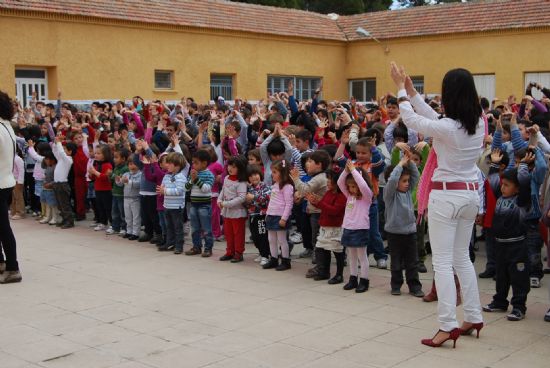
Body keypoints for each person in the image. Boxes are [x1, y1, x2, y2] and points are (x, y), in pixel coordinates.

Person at [390, 62, 484, 348]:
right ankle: (473, 316)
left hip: (446, 196)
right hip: (469, 196)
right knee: (461, 260)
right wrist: (410, 89)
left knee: (442, 262)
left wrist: (399, 91)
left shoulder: (448, 127)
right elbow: (432, 117)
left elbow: (415, 121)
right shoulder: (477, 122)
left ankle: (447, 324)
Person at [482, 149, 532, 322]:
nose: (502, 187)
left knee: (518, 278)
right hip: (500, 245)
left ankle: (519, 306)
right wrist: (495, 165)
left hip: (517, 247)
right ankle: (500, 301)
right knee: (501, 275)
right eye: (503, 184)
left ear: (517, 189)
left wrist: (523, 165)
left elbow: (525, 183)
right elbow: (493, 181)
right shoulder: (500, 196)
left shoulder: (522, 202)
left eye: (507, 185)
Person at [383, 151, 423, 297]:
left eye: (407, 181)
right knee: (396, 262)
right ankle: (396, 285)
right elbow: (393, 180)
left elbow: (416, 176)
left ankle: (414, 287)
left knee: (412, 262)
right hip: (394, 234)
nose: (407, 184)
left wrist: (410, 161)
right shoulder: (389, 194)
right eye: (404, 181)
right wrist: (400, 164)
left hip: (410, 232)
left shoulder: (407, 191)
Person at [305, 169, 346, 284]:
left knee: (337, 251)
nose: (327, 181)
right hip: (325, 225)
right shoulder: (329, 192)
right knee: (321, 249)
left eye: (330, 179)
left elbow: (334, 211)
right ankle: (324, 271)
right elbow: (323, 205)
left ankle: (339, 274)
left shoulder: (341, 196)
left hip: (335, 227)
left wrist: (319, 202)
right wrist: (313, 201)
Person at [338, 161, 373, 293]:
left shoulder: (366, 196)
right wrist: (346, 171)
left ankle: (364, 280)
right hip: (348, 228)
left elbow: (363, 185)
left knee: (361, 256)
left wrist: (354, 171)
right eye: (350, 186)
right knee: (351, 255)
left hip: (360, 228)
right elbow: (340, 183)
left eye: (354, 186)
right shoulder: (349, 196)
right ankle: (353, 279)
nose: (351, 189)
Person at [0, 90, 22, 283]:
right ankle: (1, 262)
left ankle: (13, 267)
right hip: (5, 180)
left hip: (0, 182)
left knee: (3, 227)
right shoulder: (7, 126)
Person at [263, 159, 294, 271]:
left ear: (283, 173)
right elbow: (272, 202)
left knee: (282, 240)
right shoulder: (275, 185)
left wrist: (284, 218)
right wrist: (267, 214)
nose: (272, 174)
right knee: (271, 239)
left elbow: (289, 203)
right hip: (271, 215)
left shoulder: (287, 187)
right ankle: (274, 259)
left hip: (280, 217)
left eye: (275, 172)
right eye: (273, 171)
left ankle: (286, 260)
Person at [185, 149, 215, 257]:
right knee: (195, 228)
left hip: (204, 205)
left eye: (196, 162)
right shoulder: (193, 174)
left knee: (206, 228)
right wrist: (191, 180)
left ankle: (208, 248)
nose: (193, 165)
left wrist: (196, 179)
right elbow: (186, 188)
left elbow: (206, 189)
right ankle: (196, 247)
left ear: (204, 163)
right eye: (193, 162)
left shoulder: (209, 175)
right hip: (194, 205)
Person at [218, 155, 248, 263]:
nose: (230, 168)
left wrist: (226, 203)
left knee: (238, 233)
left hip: (238, 212)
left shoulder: (241, 182)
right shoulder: (226, 178)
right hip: (227, 211)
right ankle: (229, 252)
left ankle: (238, 253)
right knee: (228, 233)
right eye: (229, 165)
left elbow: (241, 198)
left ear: (240, 168)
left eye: (234, 167)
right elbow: (223, 190)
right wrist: (219, 200)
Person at [157, 152, 187, 254]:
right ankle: (170, 243)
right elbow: (163, 186)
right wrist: (161, 189)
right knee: (169, 226)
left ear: (177, 166)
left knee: (178, 227)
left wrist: (164, 191)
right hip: (167, 205)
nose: (167, 165)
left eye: (170, 163)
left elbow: (179, 191)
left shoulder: (181, 177)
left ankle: (179, 245)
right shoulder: (166, 176)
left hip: (176, 207)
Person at [245, 164, 271, 266]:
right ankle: (261, 252)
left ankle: (265, 255)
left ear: (260, 174)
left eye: (256, 174)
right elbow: (246, 202)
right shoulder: (249, 188)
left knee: (262, 236)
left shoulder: (265, 186)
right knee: (255, 236)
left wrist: (254, 197)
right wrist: (246, 201)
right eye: (250, 176)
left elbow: (266, 199)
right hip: (252, 215)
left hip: (262, 215)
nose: (254, 177)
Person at [120, 154, 141, 241]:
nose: (132, 166)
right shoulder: (126, 174)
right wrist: (119, 180)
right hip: (126, 198)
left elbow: (138, 184)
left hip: (135, 198)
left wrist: (129, 181)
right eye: (130, 164)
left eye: (134, 164)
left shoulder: (140, 174)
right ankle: (129, 231)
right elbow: (121, 184)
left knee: (136, 216)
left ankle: (135, 232)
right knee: (128, 216)